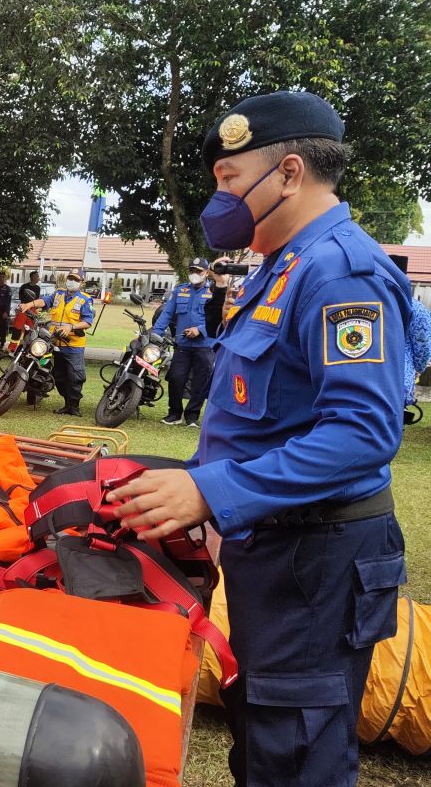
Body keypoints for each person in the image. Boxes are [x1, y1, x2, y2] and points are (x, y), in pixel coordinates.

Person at [107, 91, 409, 787]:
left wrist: (210, 490)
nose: (220, 199)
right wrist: (196, 491)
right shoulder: (281, 267)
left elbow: (362, 434)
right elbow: (262, 419)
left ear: (291, 173)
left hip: (318, 560)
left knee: (295, 753)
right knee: (262, 731)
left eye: (228, 179)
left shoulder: (341, 273)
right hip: (273, 549)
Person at [153, 258, 215, 426]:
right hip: (183, 344)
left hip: (205, 345)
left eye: (199, 271)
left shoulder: (214, 292)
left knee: (201, 382)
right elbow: (166, 314)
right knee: (175, 378)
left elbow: (217, 318)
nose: (195, 274)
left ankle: (192, 416)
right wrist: (155, 334)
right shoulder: (180, 290)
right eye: (192, 271)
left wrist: (200, 329)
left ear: (207, 273)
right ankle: (174, 413)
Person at [21, 269, 93, 415]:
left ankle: (73, 407)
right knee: (59, 376)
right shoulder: (58, 294)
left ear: (81, 283)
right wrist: (30, 304)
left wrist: (71, 326)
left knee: (75, 377)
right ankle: (67, 403)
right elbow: (44, 301)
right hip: (55, 342)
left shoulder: (85, 299)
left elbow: (87, 322)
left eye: (75, 279)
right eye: (70, 278)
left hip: (73, 345)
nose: (71, 281)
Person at [0, 271, 13, 349]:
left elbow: (9, 302)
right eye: (0, 277)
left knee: (2, 328)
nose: (1, 278)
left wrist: (6, 312)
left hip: (3, 311)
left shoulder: (8, 289)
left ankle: (2, 344)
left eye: (3, 277)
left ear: (5, 278)